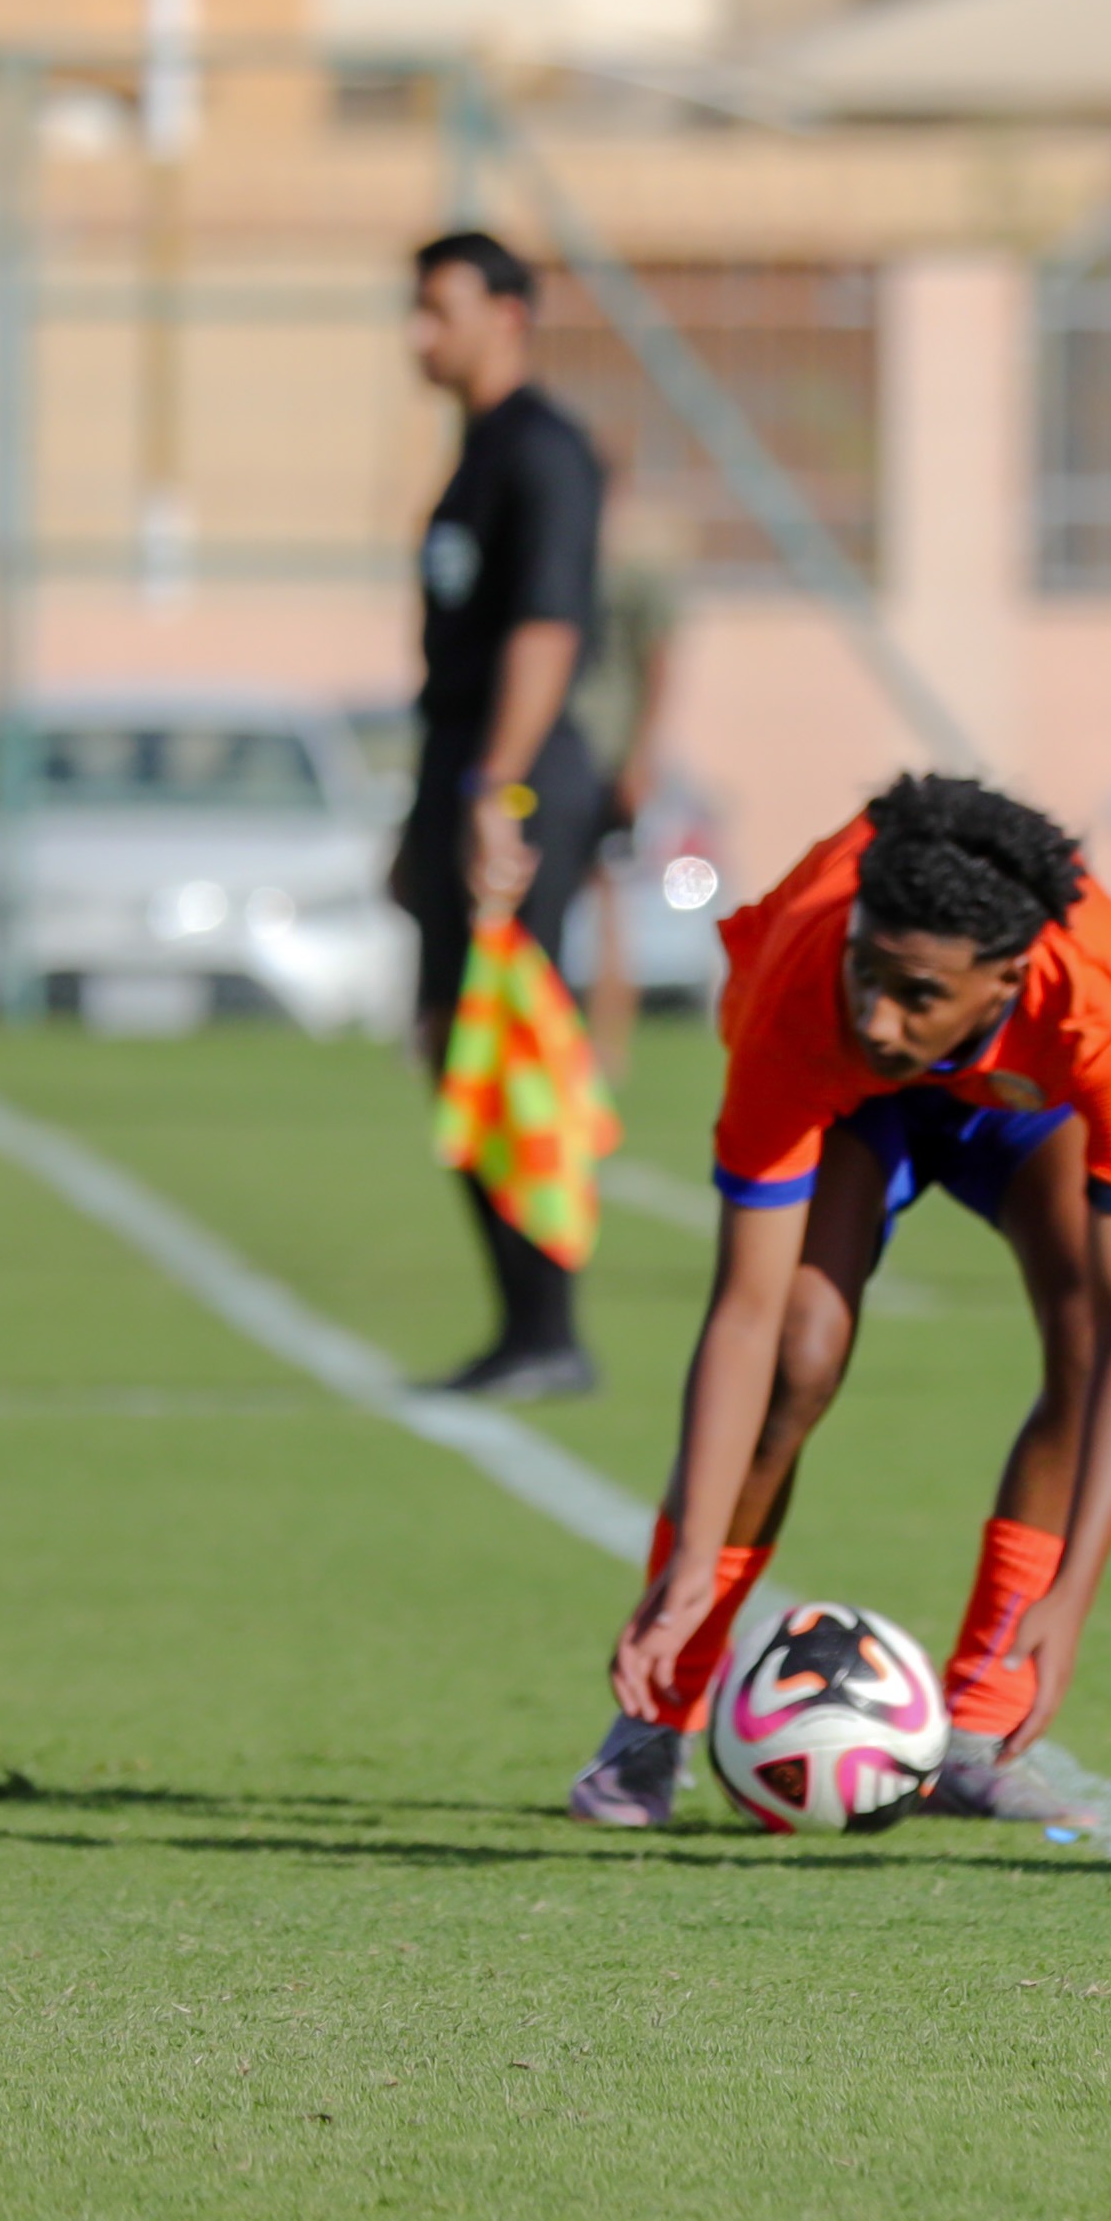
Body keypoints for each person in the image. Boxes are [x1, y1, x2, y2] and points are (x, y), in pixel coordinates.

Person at [566, 774, 1111, 1830]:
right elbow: (744, 1315)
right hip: (857, 1110)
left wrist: (1069, 1597)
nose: (879, 1016)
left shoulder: (1107, 1002)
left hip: (1020, 1108)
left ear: (1008, 975)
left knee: (1083, 1329)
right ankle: (655, 1721)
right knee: (798, 1356)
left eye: (914, 993)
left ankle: (979, 1728)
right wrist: (682, 1568)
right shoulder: (809, 991)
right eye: (868, 971)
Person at [393, 229, 612, 1402]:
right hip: (460, 771)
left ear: (508, 315)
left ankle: (549, 1326)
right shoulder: (475, 452)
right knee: (448, 1039)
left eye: (440, 309)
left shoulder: (545, 452)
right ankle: (518, 1323)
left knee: (512, 1047)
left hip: (516, 780)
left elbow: (545, 629)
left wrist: (495, 791)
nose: (420, 334)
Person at [568, 461, 687, 1078]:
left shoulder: (633, 577)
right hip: (551, 756)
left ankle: (608, 1047)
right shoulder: (551, 563)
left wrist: (641, 758)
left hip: (605, 759)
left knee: (609, 899)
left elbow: (659, 665)